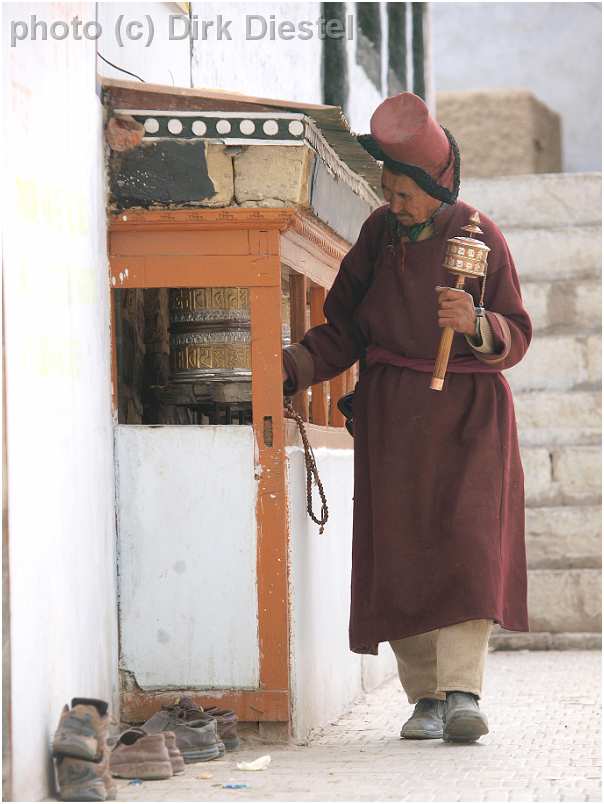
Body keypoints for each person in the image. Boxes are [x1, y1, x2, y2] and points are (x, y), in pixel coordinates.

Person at [282, 93, 532, 744]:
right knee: (402, 551)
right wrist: (298, 365)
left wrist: (476, 323)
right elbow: (344, 328)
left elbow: (518, 333)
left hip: (470, 417)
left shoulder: (480, 234)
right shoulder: (377, 236)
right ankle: (424, 698)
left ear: (435, 187)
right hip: (393, 416)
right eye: (388, 191)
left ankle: (463, 694)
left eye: (403, 193)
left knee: (468, 546)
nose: (393, 204)